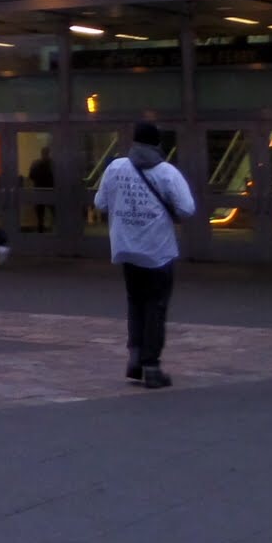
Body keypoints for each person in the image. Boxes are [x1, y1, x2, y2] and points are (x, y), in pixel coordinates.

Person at [93, 121, 194, 390]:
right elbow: (187, 209)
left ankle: (135, 359)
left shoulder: (116, 168)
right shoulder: (167, 172)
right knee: (155, 308)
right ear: (157, 144)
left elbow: (100, 203)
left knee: (135, 304)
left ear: (133, 141)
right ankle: (151, 366)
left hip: (126, 248)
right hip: (158, 251)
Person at [27, 150, 55, 232]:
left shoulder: (36, 164)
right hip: (50, 190)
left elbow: (31, 176)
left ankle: (41, 231)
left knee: (40, 216)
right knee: (54, 212)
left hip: (39, 190)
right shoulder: (52, 164)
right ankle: (56, 230)